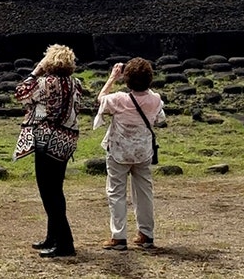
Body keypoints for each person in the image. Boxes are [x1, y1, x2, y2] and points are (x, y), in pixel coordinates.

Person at [13, 43, 85, 258]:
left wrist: (36, 70)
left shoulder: (43, 83)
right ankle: (53, 236)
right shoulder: (76, 84)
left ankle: (65, 243)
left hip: (45, 139)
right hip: (66, 141)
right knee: (56, 190)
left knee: (49, 193)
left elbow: (20, 94)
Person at [93, 57, 166, 250]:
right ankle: (146, 234)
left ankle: (119, 236)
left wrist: (112, 78)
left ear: (127, 80)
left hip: (119, 151)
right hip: (143, 151)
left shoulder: (118, 99)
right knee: (144, 193)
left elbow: (101, 99)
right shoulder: (155, 99)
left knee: (116, 192)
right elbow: (160, 119)